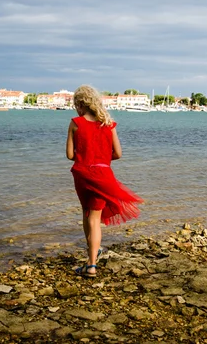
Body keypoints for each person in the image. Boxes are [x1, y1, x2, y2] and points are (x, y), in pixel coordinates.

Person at [66, 85, 143, 278]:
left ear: (81, 104)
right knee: (95, 218)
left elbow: (69, 155)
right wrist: (101, 159)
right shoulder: (108, 124)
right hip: (102, 174)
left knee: (87, 214)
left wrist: (86, 156)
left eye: (76, 105)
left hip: (82, 174)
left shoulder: (75, 123)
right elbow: (118, 154)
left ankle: (91, 259)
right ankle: (92, 261)